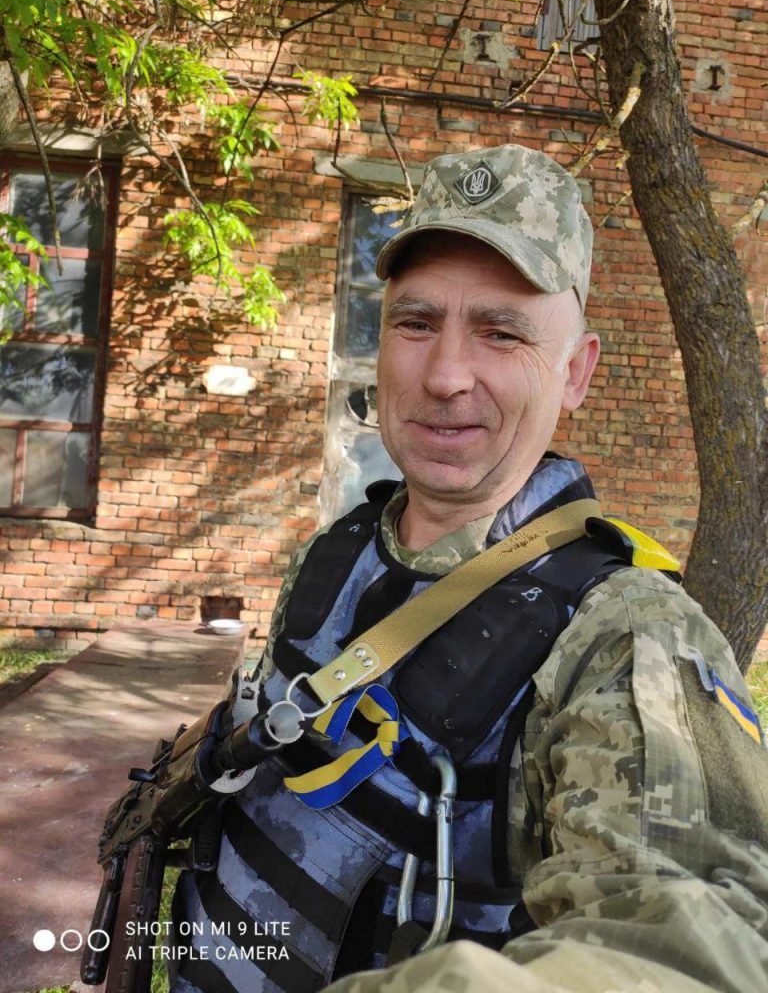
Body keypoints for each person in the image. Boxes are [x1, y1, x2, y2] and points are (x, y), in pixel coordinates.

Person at [170, 144, 768, 993]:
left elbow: (690, 938)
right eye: (416, 324)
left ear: (576, 373)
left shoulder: (624, 634)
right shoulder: (339, 550)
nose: (446, 376)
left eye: (502, 333)